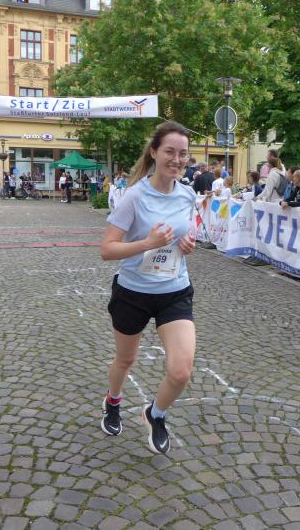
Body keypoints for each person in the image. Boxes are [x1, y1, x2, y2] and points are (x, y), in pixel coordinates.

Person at [99, 121, 197, 455]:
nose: (177, 159)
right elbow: (107, 249)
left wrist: (187, 244)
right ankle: (113, 401)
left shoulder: (188, 194)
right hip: (133, 293)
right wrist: (147, 243)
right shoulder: (134, 196)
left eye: (183, 154)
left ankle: (155, 414)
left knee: (181, 371)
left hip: (174, 289)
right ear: (154, 152)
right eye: (170, 151)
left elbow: (185, 233)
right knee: (126, 360)